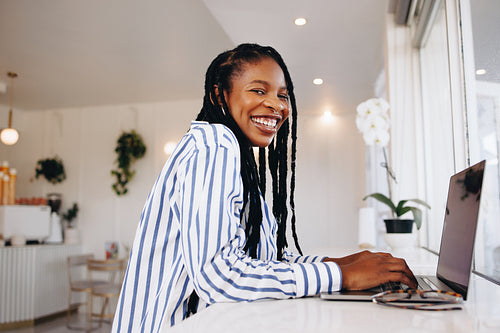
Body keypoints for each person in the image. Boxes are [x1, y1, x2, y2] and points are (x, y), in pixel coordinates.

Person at [112, 43, 417, 332]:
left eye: (283, 95)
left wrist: (343, 263)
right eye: (258, 90)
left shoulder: (234, 156)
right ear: (220, 96)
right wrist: (339, 276)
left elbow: (262, 262)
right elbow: (219, 276)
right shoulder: (215, 146)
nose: (275, 105)